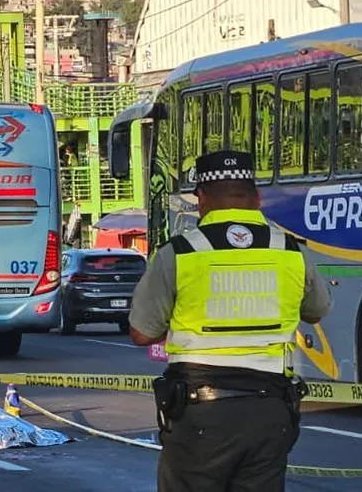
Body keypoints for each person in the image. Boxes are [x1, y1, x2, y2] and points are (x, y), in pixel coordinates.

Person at [128, 150, 333, 492]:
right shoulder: (290, 250)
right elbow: (316, 311)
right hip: (270, 410)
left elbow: (141, 333)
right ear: (256, 198)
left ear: (202, 199)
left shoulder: (179, 253)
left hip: (200, 412)